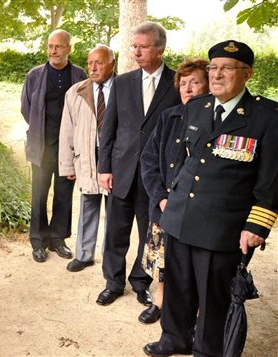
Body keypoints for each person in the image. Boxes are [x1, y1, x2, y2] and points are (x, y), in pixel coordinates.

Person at [144, 40, 278, 357]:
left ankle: (206, 350)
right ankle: (174, 338)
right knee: (177, 286)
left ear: (247, 74)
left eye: (226, 68)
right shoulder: (197, 107)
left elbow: (271, 182)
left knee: (212, 296)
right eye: (213, 67)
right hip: (179, 217)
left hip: (222, 228)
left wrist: (257, 226)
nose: (216, 74)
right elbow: (182, 161)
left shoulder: (267, 118)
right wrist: (167, 200)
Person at [96, 22, 181, 306]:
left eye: (143, 47)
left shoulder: (176, 83)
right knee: (115, 233)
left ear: (160, 49)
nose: (137, 52)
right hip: (121, 171)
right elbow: (108, 129)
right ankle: (113, 282)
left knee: (149, 234)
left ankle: (141, 282)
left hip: (154, 176)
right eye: (134, 47)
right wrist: (104, 168)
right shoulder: (121, 83)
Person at [137, 58, 209, 325]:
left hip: (197, 211)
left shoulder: (215, 120)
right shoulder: (169, 117)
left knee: (195, 268)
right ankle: (160, 303)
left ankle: (198, 314)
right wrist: (161, 198)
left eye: (195, 82)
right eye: (183, 83)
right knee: (163, 261)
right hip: (165, 207)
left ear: (208, 86)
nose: (187, 88)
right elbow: (149, 161)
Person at [21, 29, 87, 263]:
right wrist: (41, 130)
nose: (53, 51)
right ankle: (38, 242)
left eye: (58, 46)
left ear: (69, 48)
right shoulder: (34, 75)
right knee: (38, 194)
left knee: (64, 194)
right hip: (41, 146)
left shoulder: (80, 75)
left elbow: (86, 110)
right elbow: (26, 109)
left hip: (68, 148)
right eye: (50, 46)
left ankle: (58, 239)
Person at [58, 44, 115, 272]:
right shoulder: (75, 92)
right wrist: (66, 164)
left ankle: (110, 258)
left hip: (114, 158)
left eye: (99, 62)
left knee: (115, 210)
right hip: (88, 156)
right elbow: (67, 130)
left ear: (112, 63)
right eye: (90, 63)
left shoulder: (124, 88)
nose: (93, 68)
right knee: (88, 204)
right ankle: (84, 254)